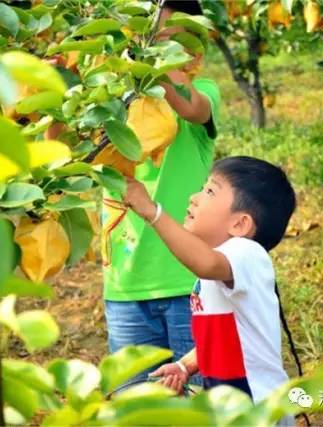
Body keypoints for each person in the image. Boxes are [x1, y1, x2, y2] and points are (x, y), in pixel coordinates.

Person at [102, 0, 220, 387]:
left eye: (166, 40)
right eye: (144, 37)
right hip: (126, 285)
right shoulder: (111, 106)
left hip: (189, 283)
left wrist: (150, 54)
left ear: (192, 51)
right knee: (135, 405)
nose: (152, 46)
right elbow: (67, 149)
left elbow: (191, 108)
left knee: (203, 402)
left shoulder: (203, 93)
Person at [123, 156, 296, 415]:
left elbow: (205, 263)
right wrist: (185, 366)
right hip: (231, 405)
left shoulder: (247, 253)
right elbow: (222, 339)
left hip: (261, 407)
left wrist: (152, 211)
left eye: (210, 191)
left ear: (240, 224)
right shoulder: (221, 265)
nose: (195, 197)